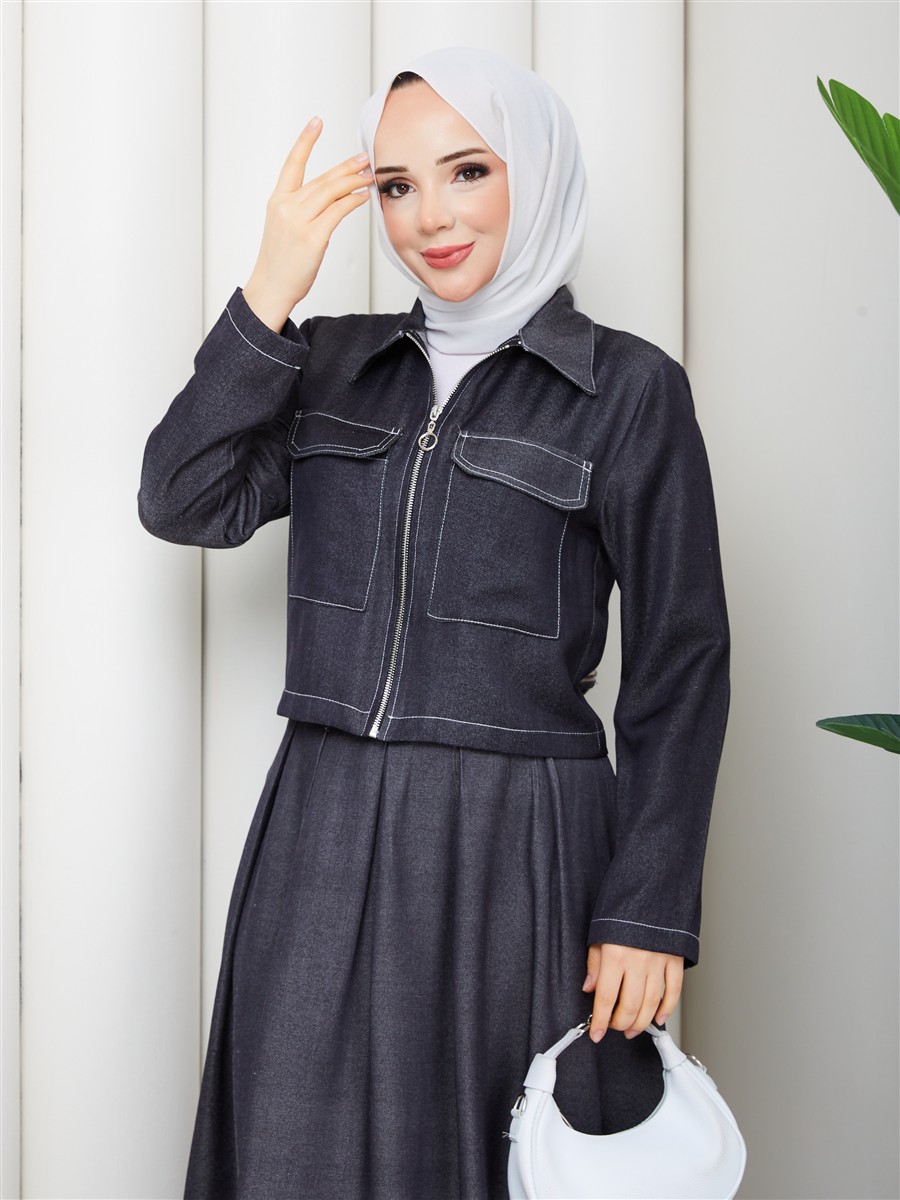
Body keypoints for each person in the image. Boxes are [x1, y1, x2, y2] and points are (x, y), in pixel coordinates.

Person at [138, 45, 730, 1200]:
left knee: (489, 1158)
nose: (430, 218)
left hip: (519, 841)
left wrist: (650, 909)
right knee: (294, 1153)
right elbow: (182, 498)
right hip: (321, 820)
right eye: (398, 185)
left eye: (468, 171)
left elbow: (682, 663)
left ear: (535, 173)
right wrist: (269, 292)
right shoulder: (332, 362)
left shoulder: (630, 390)